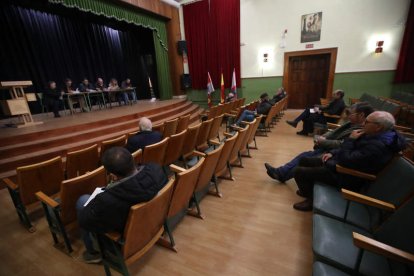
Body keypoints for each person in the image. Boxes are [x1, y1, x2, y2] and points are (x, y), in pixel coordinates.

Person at [292, 111, 406, 211]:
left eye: (367, 122)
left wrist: (350, 140)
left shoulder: (378, 146)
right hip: (341, 165)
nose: (363, 124)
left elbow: (348, 160)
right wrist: (332, 153)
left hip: (347, 175)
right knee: (305, 160)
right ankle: (306, 191)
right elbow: (347, 150)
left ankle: (310, 199)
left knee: (299, 172)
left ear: (378, 127)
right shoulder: (374, 135)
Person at [77, 147, 167, 263]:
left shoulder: (106, 200)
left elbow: (84, 221)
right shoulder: (156, 169)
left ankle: (93, 253)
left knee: (82, 201)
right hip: (153, 220)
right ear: (132, 160)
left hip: (127, 234)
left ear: (113, 175)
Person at [265, 102, 374, 183]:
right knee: (308, 114)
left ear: (361, 115)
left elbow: (341, 144)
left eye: (351, 113)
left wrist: (323, 142)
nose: (348, 115)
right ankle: (281, 173)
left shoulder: (360, 130)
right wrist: (323, 137)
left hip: (333, 153)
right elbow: (334, 132)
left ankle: (281, 173)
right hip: (330, 147)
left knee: (305, 157)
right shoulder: (351, 123)